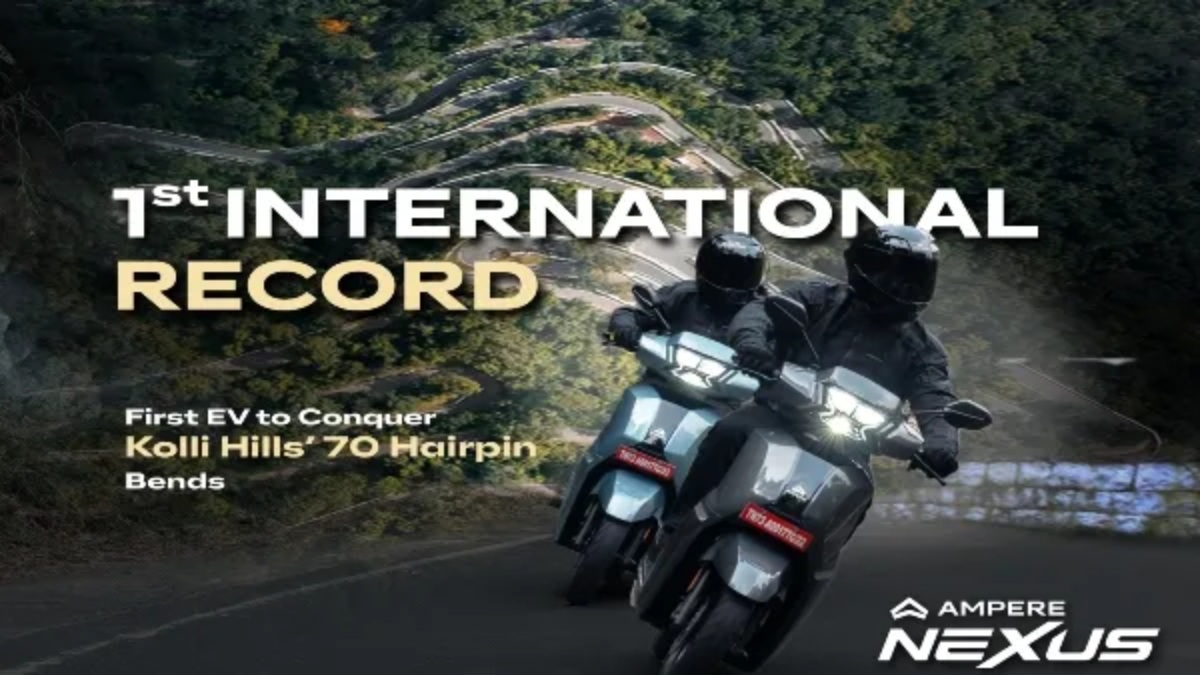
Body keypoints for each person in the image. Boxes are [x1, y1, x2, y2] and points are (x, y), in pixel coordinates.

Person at [666, 224, 961, 525]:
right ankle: (677, 521)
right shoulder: (822, 297)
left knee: (859, 496)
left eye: (917, 279)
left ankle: (815, 556)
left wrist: (941, 443)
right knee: (729, 431)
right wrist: (752, 344)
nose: (904, 287)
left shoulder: (924, 350)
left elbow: (936, 398)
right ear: (864, 265)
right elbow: (760, 312)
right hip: (781, 414)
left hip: (850, 447)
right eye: (895, 275)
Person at [607, 233, 767, 348]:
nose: (728, 282)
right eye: (720, 274)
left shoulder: (766, 314)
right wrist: (625, 328)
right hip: (664, 375)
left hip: (732, 386)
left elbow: (779, 350)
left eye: (739, 276)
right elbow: (629, 314)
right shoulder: (683, 295)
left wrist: (764, 359)